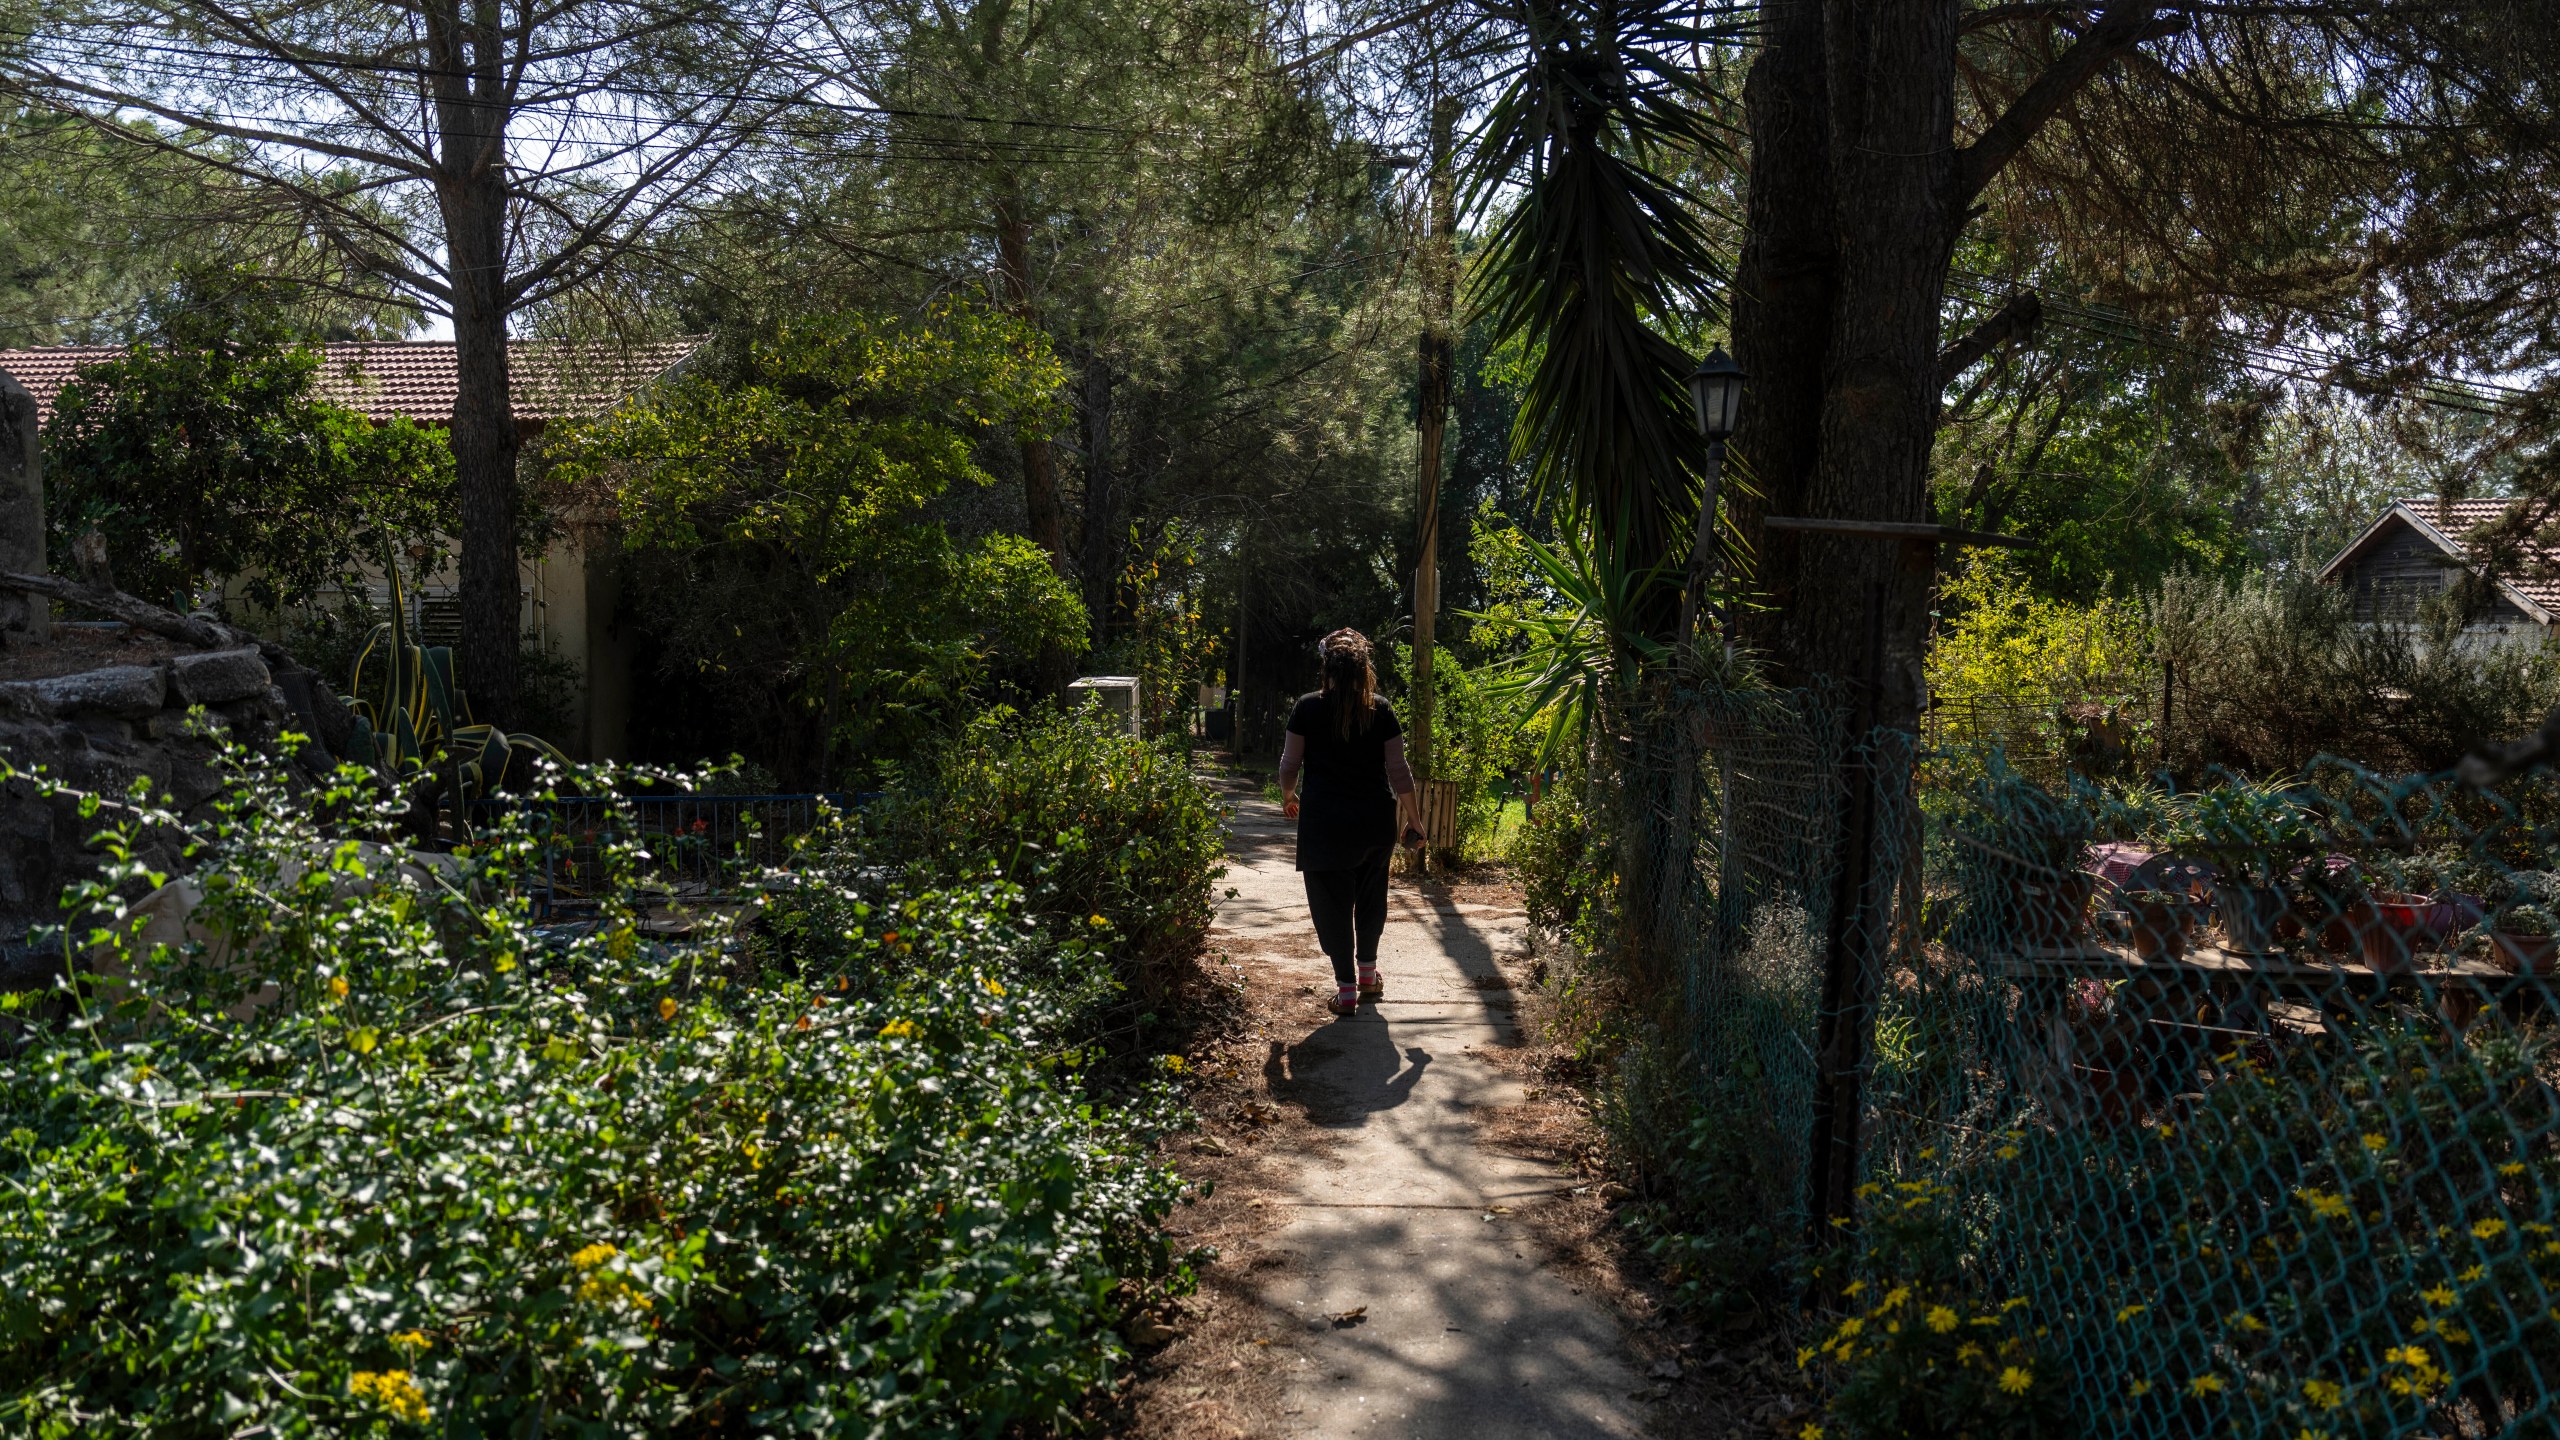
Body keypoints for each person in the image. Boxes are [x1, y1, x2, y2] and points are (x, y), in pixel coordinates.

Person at [1278, 629, 1422, 1016]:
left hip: (1325, 825)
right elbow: (1399, 771)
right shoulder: (1382, 709)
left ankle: (1346, 991)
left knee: (1332, 907)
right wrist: (1414, 819)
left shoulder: (1307, 708)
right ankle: (1369, 977)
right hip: (1374, 823)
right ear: (1364, 670)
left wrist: (1289, 795)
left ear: (1327, 668)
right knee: (1372, 901)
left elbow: (1290, 764)